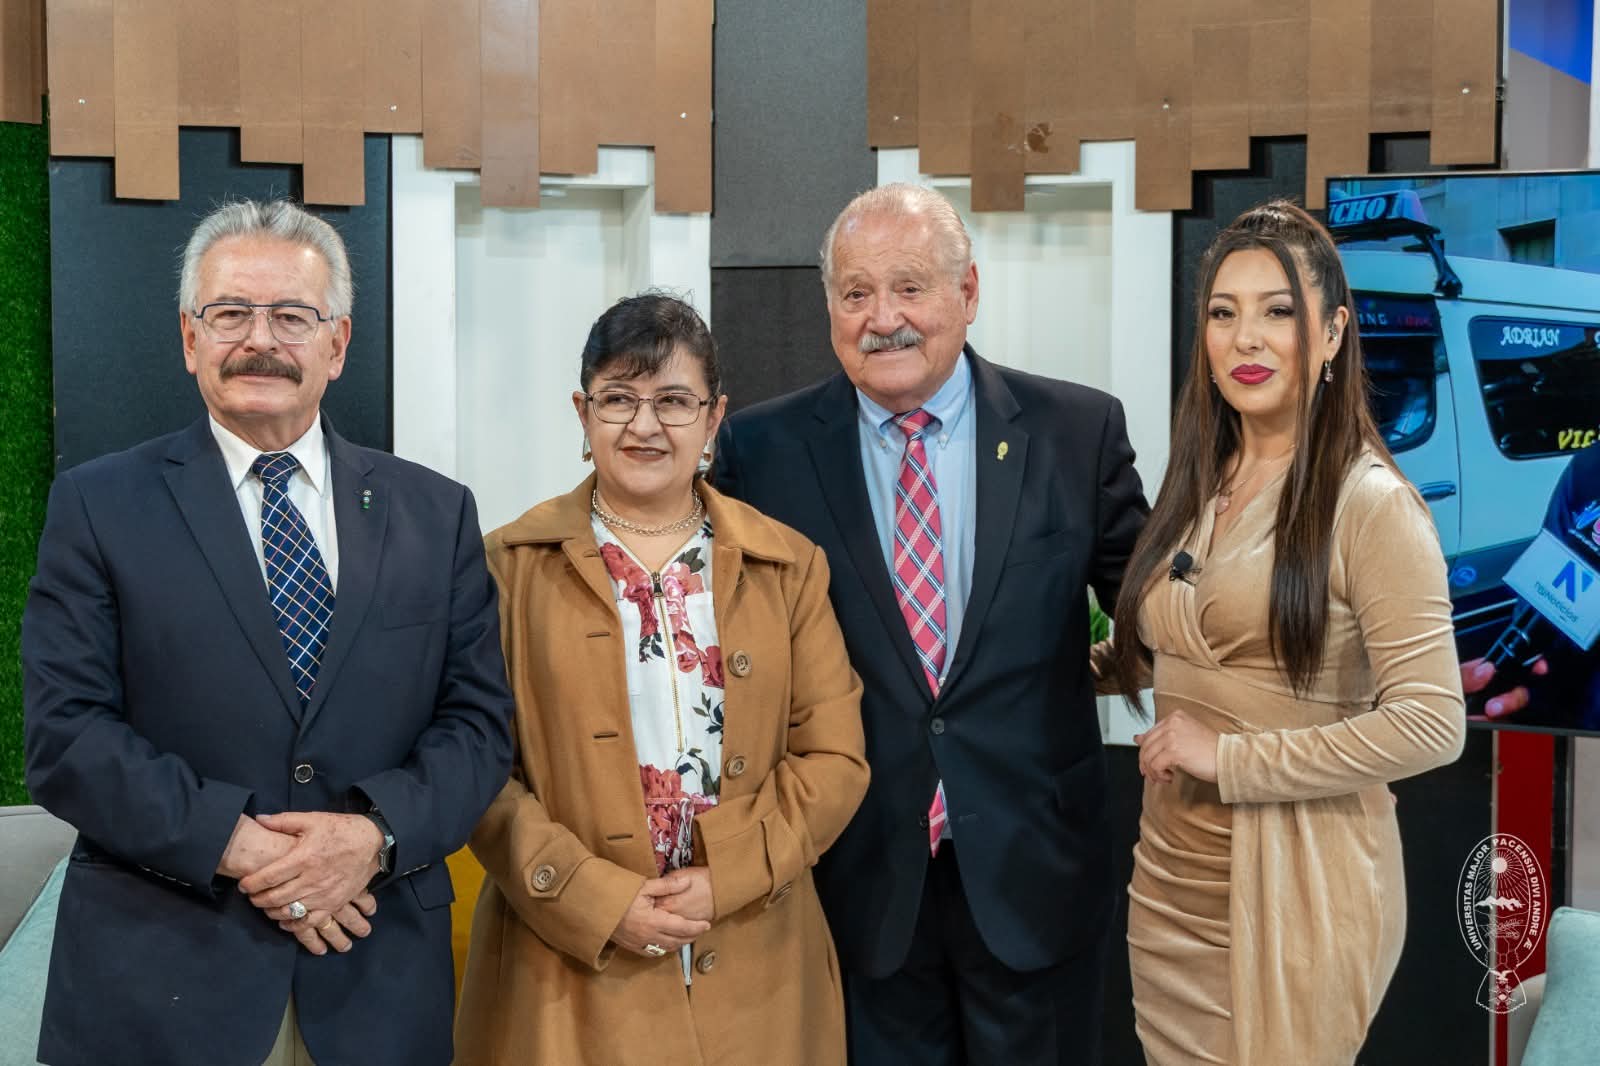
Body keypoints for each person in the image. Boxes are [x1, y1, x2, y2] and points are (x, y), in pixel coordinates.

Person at [22, 199, 515, 1066]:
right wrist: (245, 847)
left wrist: (369, 838)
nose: (261, 340)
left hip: (375, 981)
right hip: (160, 985)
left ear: (338, 343)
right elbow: (67, 736)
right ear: (190, 338)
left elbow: (477, 730)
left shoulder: (436, 514)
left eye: (292, 315)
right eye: (230, 313)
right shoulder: (99, 506)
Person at [712, 184, 1150, 1064]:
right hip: (855, 882)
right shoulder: (761, 453)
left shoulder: (1076, 432)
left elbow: (1162, 613)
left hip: (1038, 875)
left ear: (968, 291)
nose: (884, 319)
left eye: (910, 287)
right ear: (830, 308)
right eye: (856, 293)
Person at [454, 293, 869, 1065]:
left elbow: (834, 759)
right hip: (567, 964)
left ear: (714, 420)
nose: (644, 426)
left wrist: (728, 878)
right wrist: (594, 898)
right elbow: (473, 768)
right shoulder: (503, 568)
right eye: (618, 399)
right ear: (582, 414)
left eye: (674, 401)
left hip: (757, 951)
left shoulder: (789, 566)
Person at [1101, 201, 1466, 1065]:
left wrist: (1229, 759)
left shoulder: (1370, 504)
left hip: (1297, 880)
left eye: (1278, 312)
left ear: (1333, 333)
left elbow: (1433, 723)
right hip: (1172, 878)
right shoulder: (1203, 479)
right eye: (1223, 313)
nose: (1246, 339)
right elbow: (1182, 650)